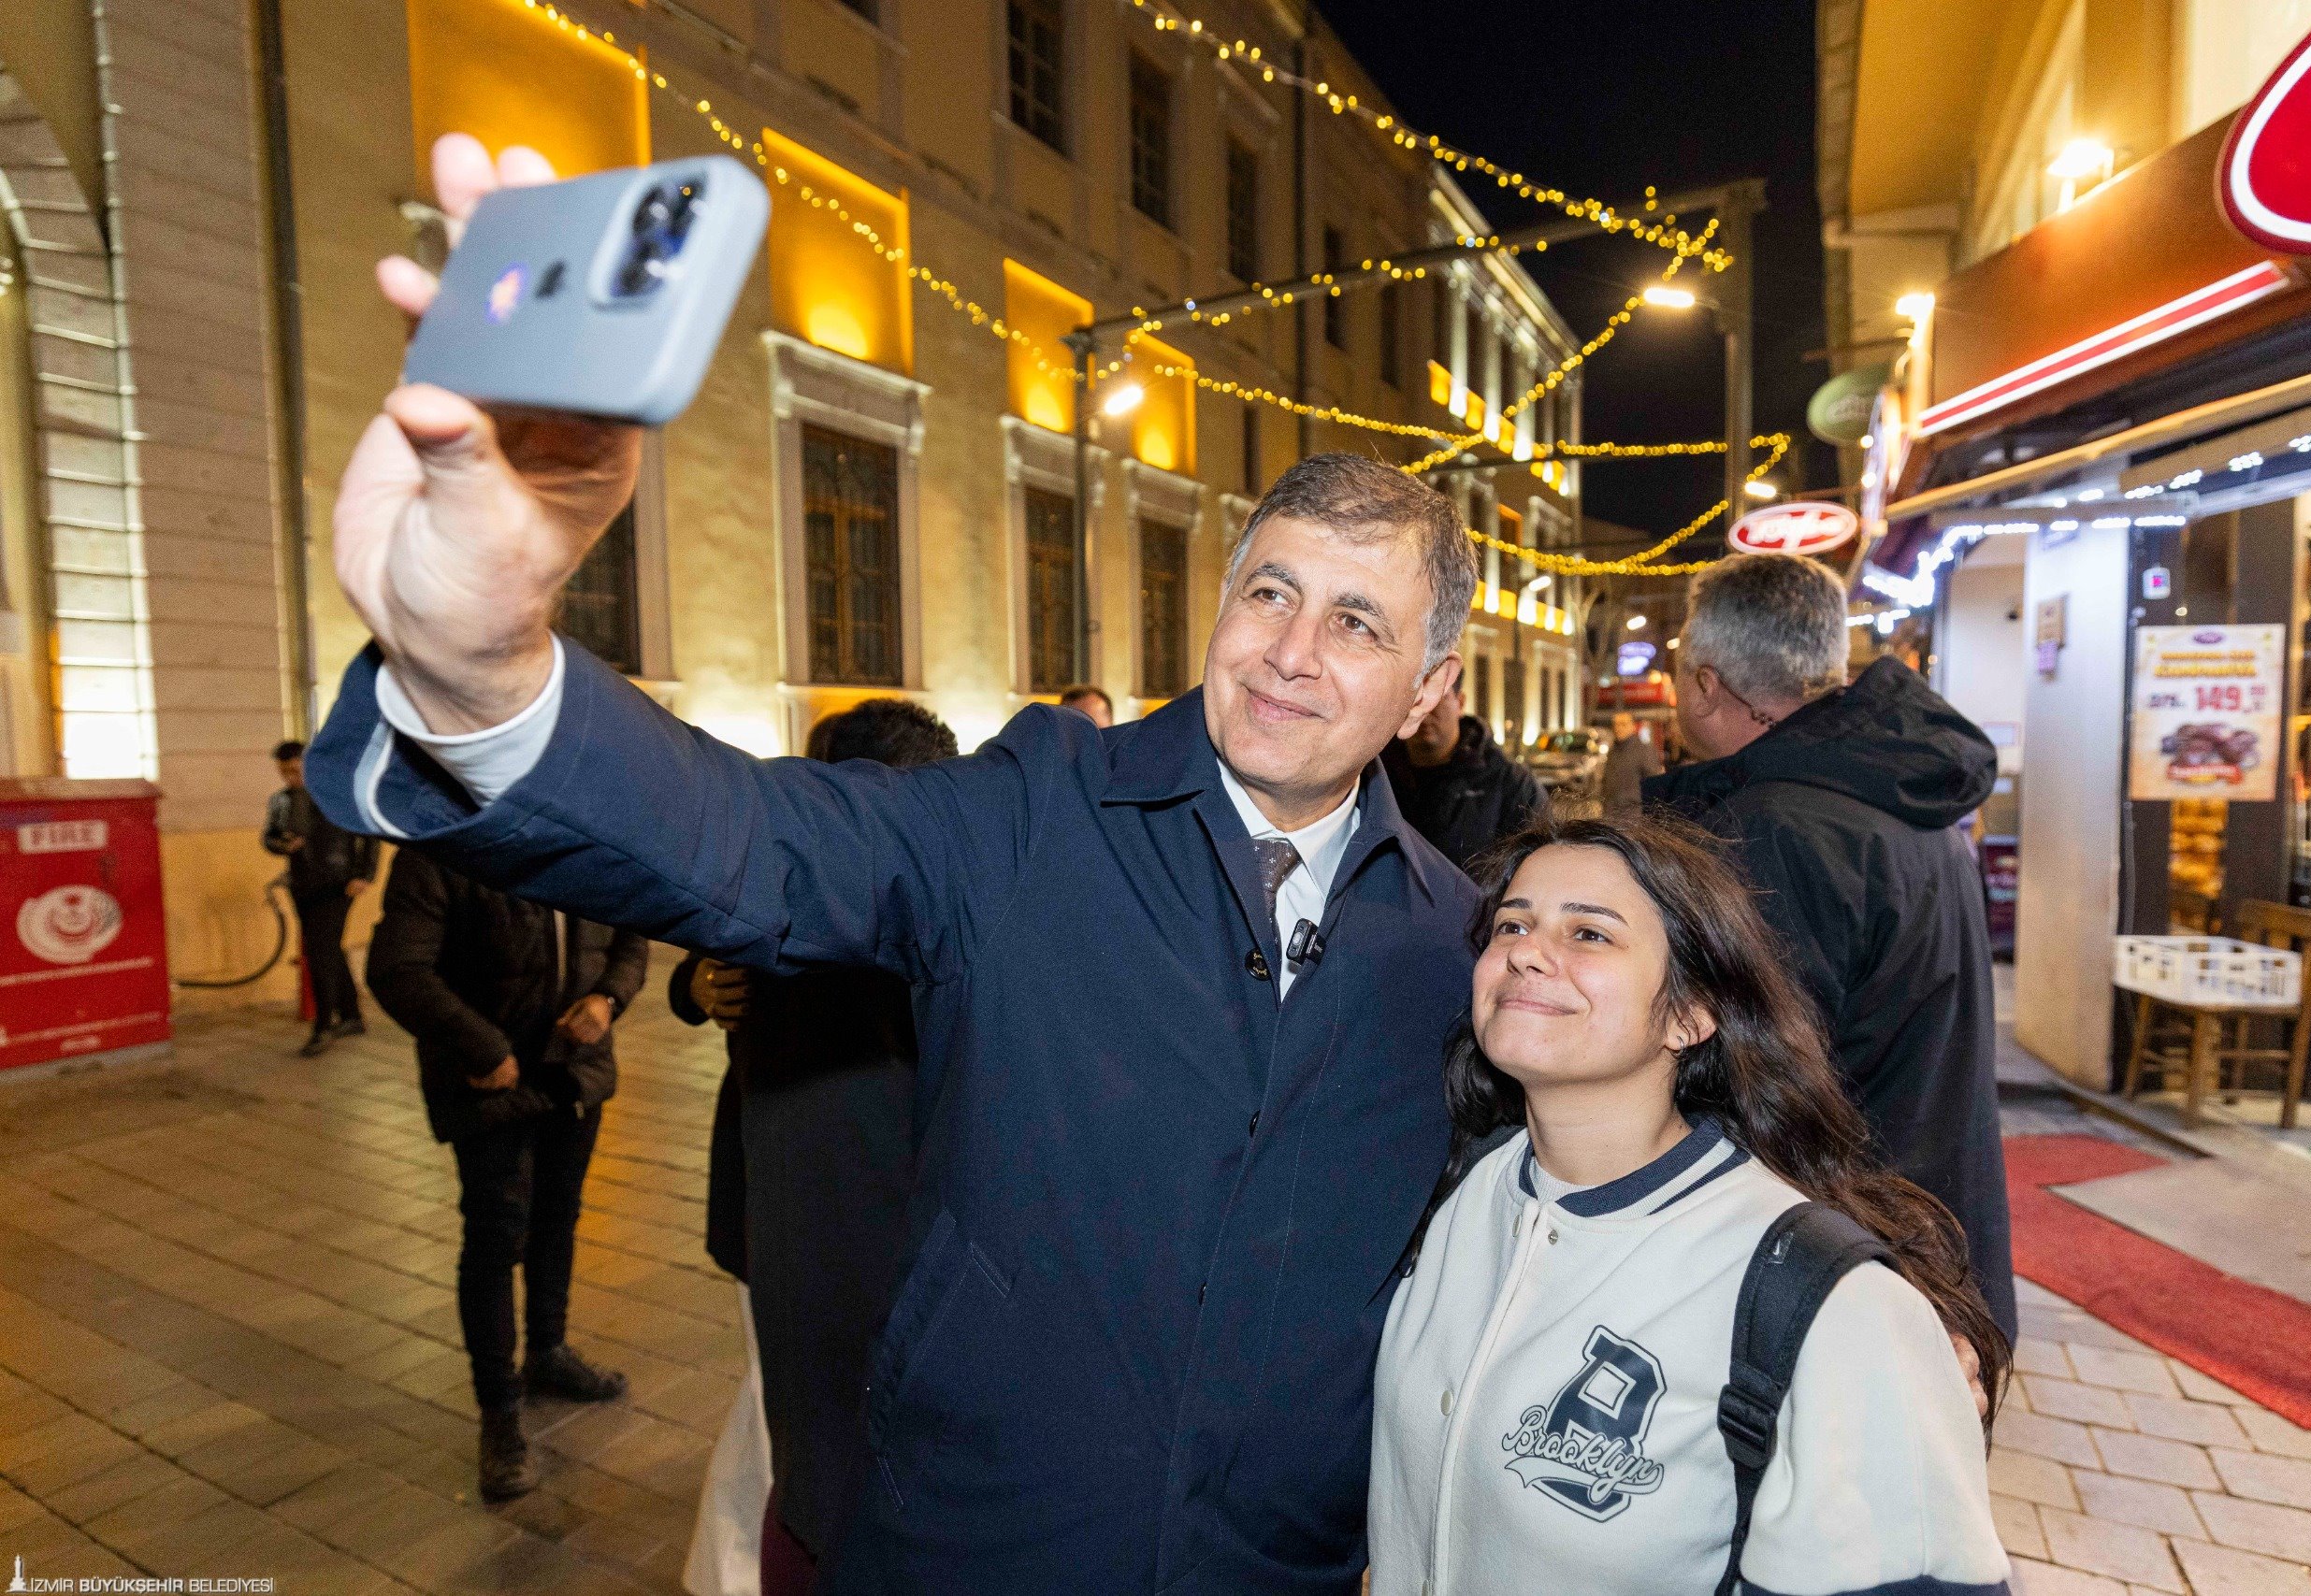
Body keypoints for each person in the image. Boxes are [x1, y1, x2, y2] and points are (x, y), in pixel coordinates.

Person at [312, 137, 1480, 1589]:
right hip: (966, 1547)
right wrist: (483, 666)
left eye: (1358, 623)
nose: (1292, 651)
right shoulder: (1034, 812)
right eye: (1270, 592)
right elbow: (755, 843)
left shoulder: (1455, 948)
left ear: (1433, 688)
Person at [1372, 814, 2011, 1596]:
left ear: (1690, 1014)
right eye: (1512, 923)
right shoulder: (1455, 1192)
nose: (1528, 952)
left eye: (1589, 933)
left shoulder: (1821, 1297)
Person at [1650, 552, 2016, 1338]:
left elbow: (1750, 1083)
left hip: (1835, 1268)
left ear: (1708, 684)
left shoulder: (1771, 828)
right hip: (1931, 1241)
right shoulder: (1905, 796)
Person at [677, 697, 957, 1594]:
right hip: (809, 1224)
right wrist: (694, 981)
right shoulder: (801, 891)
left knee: (796, 1439)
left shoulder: (912, 895)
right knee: (797, 1448)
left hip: (839, 1235)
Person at [365, 846, 649, 1503]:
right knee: (496, 1238)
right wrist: (481, 1046)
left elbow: (632, 932)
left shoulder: (584, 834)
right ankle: (499, 1412)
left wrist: (608, 997)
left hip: (574, 1070)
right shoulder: (441, 848)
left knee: (558, 1216)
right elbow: (397, 967)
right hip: (490, 1080)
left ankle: (548, 1351)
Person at [263, 738, 381, 1056]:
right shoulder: (282, 801)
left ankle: (324, 1025)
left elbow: (369, 833)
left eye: (295, 770)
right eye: (284, 773)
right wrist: (283, 845)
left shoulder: (337, 794)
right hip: (302, 884)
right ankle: (352, 1016)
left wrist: (365, 874)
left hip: (338, 884)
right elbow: (269, 837)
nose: (291, 778)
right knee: (327, 949)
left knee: (319, 953)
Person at [1379, 676, 1550, 869]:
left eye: (1437, 697)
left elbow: (1537, 867)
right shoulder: (1372, 776)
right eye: (1414, 697)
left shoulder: (1513, 785)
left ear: (1460, 703)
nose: (1424, 710)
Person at [1596, 709, 1662, 816]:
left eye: (1623, 724)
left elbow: (1653, 783)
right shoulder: (1613, 751)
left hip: (1633, 813)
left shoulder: (1644, 750)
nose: (1618, 728)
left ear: (1633, 726)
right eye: (1616, 724)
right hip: (1611, 812)